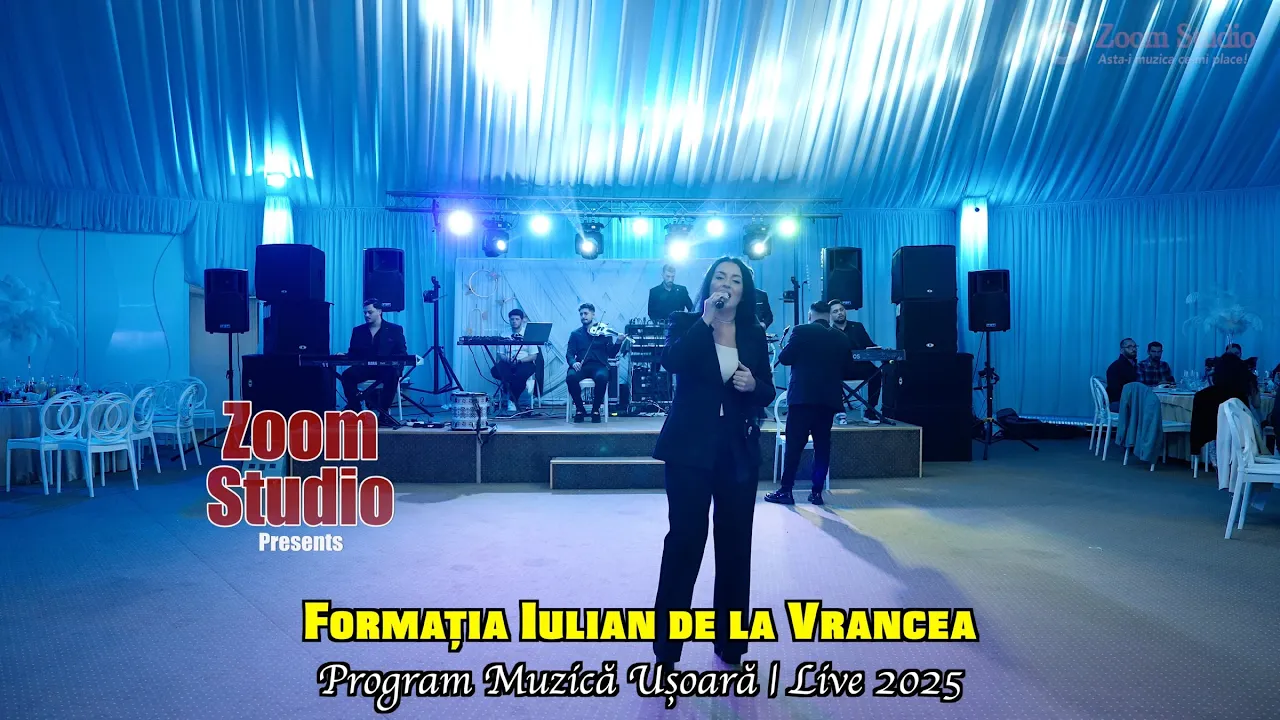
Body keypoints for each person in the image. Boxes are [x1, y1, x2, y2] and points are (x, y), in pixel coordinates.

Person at [650, 257, 775, 670]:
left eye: (735, 279)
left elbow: (768, 390)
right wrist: (705, 320)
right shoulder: (685, 321)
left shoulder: (754, 332)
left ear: (744, 291)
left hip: (737, 450)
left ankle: (731, 645)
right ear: (709, 284)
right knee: (685, 542)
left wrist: (754, 385)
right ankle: (667, 651)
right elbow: (671, 362)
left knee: (736, 546)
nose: (727, 284)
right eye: (720, 277)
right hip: (688, 450)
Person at [765, 301, 854, 506]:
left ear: (809, 315)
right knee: (822, 446)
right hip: (828, 400)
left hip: (802, 398)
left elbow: (785, 358)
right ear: (828, 316)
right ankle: (816, 493)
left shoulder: (801, 331)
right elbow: (848, 368)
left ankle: (786, 490)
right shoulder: (841, 337)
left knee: (794, 445)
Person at [340, 299, 407, 420]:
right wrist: (344, 355)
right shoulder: (358, 331)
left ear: (379, 311)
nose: (366, 315)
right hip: (366, 368)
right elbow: (354, 353)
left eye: (370, 312)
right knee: (347, 375)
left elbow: (401, 352)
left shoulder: (395, 329)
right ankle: (356, 409)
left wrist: (397, 367)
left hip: (387, 368)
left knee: (392, 374)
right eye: (365, 312)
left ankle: (383, 413)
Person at [828, 299, 881, 421]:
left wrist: (879, 351)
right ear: (830, 315)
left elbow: (869, 345)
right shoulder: (829, 331)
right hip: (840, 369)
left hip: (859, 366)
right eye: (835, 311)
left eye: (841, 310)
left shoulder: (857, 327)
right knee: (830, 374)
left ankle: (870, 410)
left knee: (877, 373)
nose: (840, 313)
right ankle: (840, 410)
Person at [566, 303, 619, 423]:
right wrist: (573, 363)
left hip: (599, 365)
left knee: (602, 377)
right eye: (581, 314)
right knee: (571, 377)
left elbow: (611, 354)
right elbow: (569, 353)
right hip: (581, 365)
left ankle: (596, 409)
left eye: (586, 313)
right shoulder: (575, 334)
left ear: (593, 315)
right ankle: (580, 409)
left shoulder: (603, 333)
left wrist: (618, 342)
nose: (583, 316)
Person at [490, 308, 539, 411]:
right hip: (508, 362)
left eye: (517, 319)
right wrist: (508, 360)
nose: (514, 321)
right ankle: (514, 388)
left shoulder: (529, 334)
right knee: (495, 370)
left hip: (524, 362)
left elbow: (534, 356)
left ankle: (512, 400)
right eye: (512, 319)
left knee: (520, 375)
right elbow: (500, 354)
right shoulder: (504, 334)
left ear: (522, 320)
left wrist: (520, 361)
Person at [1105, 338, 1140, 410]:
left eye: (1134, 346)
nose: (1133, 349)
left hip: (1130, 400)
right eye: (1129, 347)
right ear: (1121, 350)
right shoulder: (1116, 366)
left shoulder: (1133, 365)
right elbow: (1114, 391)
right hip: (1119, 403)